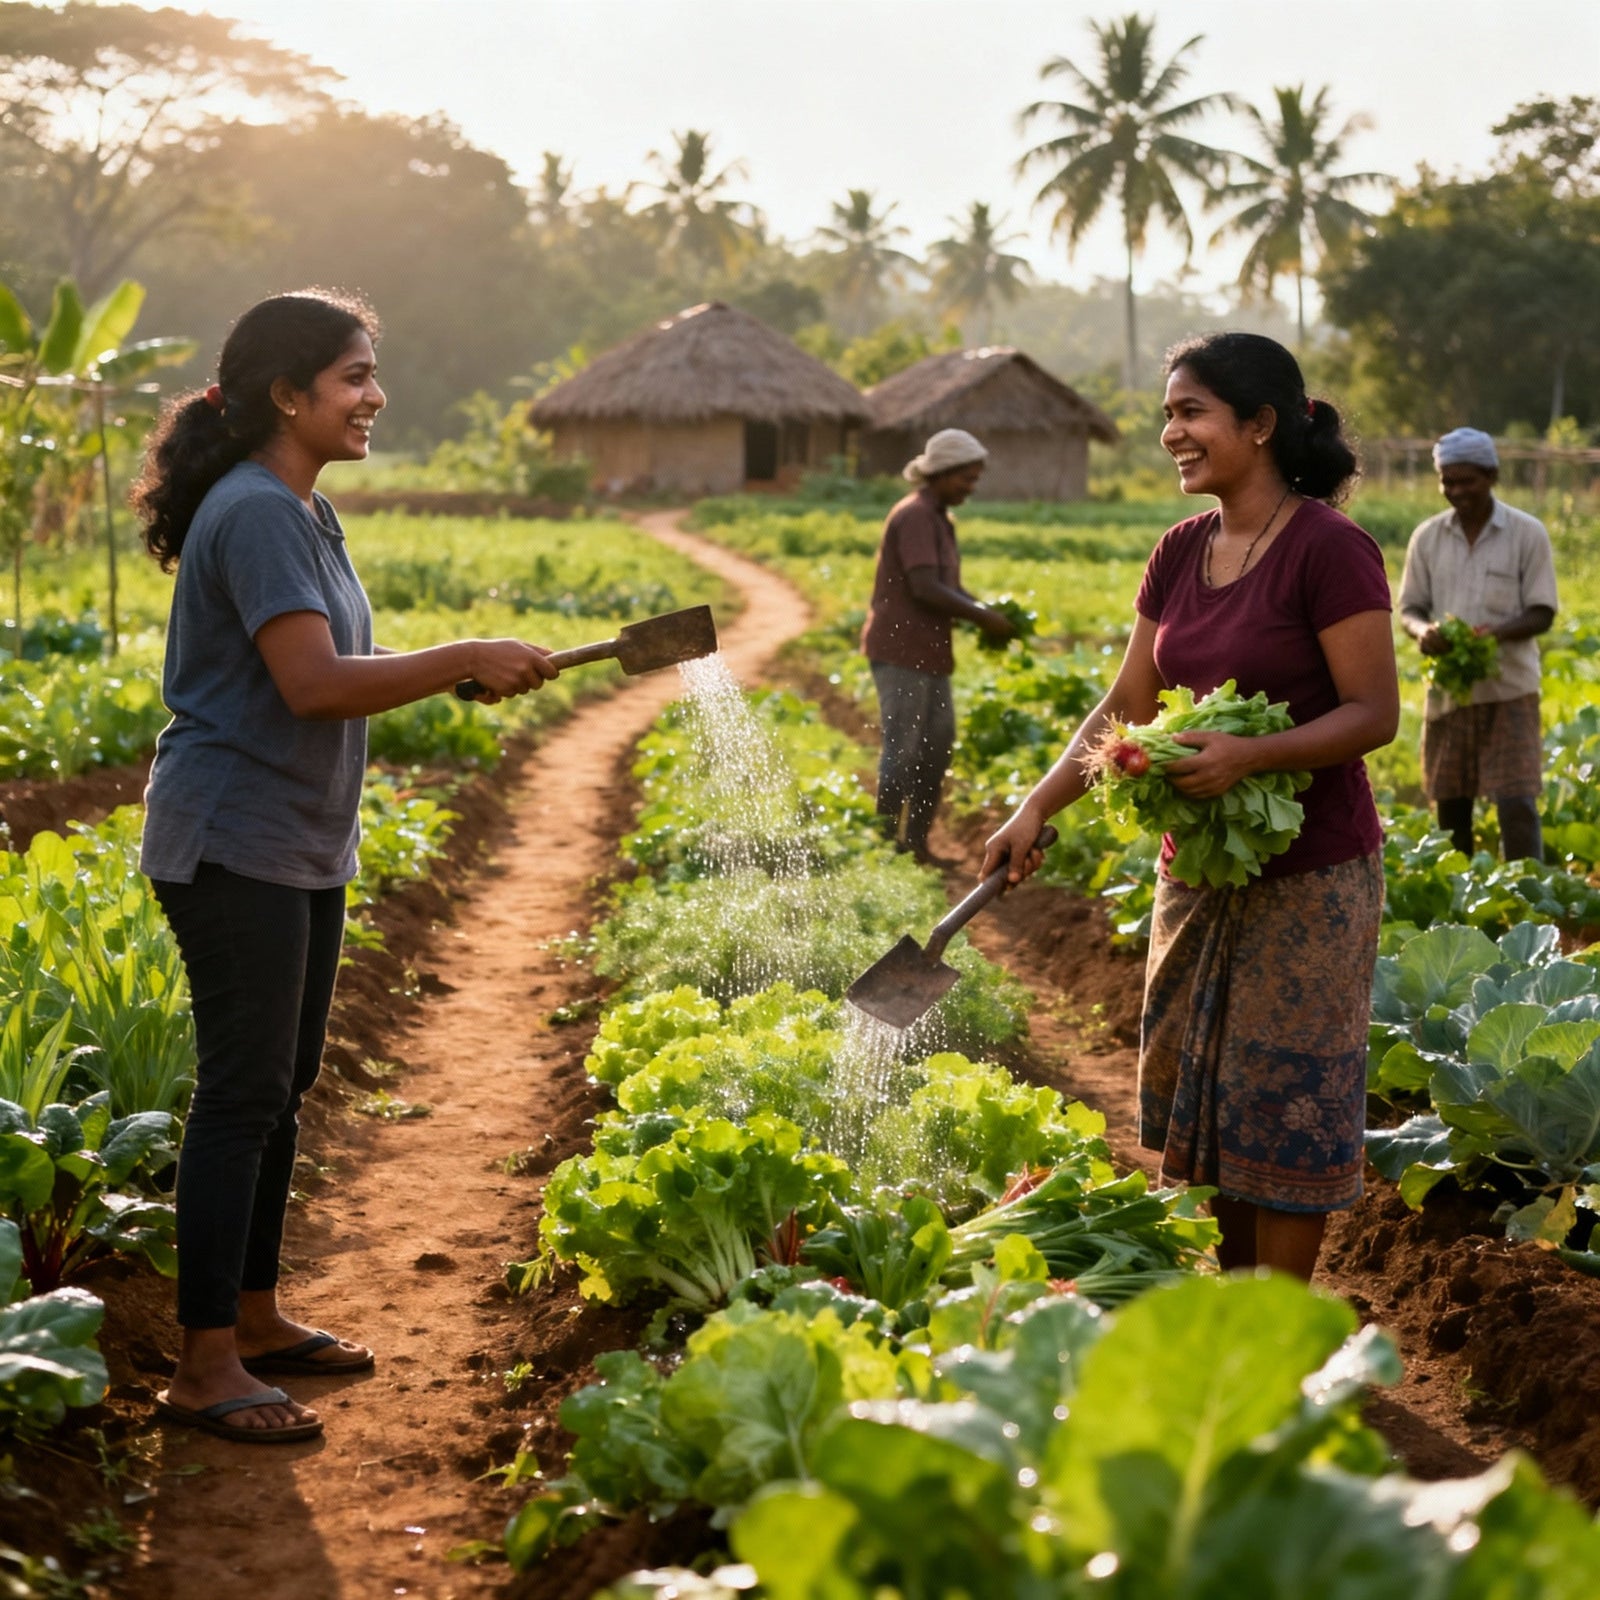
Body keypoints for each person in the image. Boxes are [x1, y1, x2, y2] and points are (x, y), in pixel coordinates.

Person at [131, 290, 559, 1442]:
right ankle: (203, 1363)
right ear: (288, 394)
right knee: (240, 1094)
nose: (375, 397)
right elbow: (313, 684)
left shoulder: (304, 511)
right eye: (355, 376)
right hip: (234, 839)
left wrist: (450, 670)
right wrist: (459, 652)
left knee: (282, 1085)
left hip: (297, 840)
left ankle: (257, 1319)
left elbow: (340, 663)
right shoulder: (259, 513)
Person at [982, 332, 1399, 1282]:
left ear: (1259, 426)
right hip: (1198, 871)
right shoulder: (1178, 552)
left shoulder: (1331, 551)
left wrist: (1254, 754)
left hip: (1313, 877)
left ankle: (1276, 1331)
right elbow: (1128, 704)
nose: (1170, 432)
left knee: (1286, 1097)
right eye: (1168, 413)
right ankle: (1229, 1304)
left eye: (1190, 412)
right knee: (1199, 1087)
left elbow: (1374, 714)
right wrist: (1037, 807)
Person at [1398, 428, 1557, 863]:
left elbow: (1543, 612)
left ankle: (1528, 905)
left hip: (1510, 692)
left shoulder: (1527, 534)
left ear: (1491, 476)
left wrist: (1496, 634)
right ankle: (1461, 904)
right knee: (1451, 804)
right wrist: (1422, 631)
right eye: (1447, 481)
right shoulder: (1427, 538)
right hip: (1449, 695)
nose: (1456, 491)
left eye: (1466, 480)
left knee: (1517, 804)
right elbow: (1410, 608)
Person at [860, 427, 1016, 860]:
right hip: (900, 650)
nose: (971, 488)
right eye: (966, 478)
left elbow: (950, 587)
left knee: (937, 747)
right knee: (904, 749)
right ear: (942, 473)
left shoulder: (939, 519)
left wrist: (985, 612)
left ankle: (916, 845)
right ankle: (887, 846)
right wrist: (984, 617)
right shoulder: (914, 516)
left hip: (929, 652)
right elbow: (925, 587)